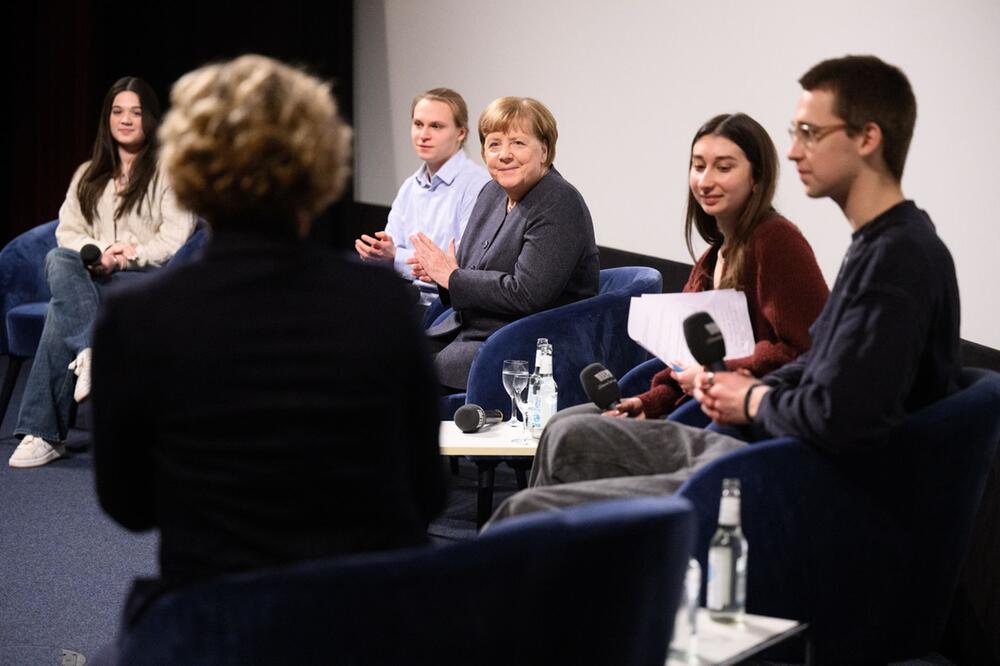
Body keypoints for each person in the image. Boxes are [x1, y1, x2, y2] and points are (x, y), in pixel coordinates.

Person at [487, 55, 960, 525]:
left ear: (867, 139)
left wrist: (748, 396)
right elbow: (821, 376)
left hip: (794, 475)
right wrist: (702, 390)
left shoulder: (898, 259)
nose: (793, 151)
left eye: (810, 134)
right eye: (795, 134)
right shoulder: (875, 249)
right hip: (773, 444)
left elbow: (841, 414)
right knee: (564, 440)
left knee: (533, 498)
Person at [91, 55, 447, 615]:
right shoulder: (381, 306)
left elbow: (129, 505)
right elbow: (427, 492)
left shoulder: (137, 316)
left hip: (212, 617)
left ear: (188, 164)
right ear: (320, 163)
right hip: (358, 617)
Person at [8, 76, 195, 469]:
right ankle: (87, 348)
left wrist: (125, 258)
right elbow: (67, 232)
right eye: (117, 111)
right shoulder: (87, 174)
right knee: (60, 259)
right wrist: (96, 254)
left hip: (144, 280)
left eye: (136, 112)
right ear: (107, 119)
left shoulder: (171, 172)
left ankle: (42, 432)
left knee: (64, 305)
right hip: (90, 274)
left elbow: (176, 240)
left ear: (151, 120)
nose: (125, 119)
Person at [609, 112, 827, 421]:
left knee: (571, 434)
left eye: (723, 168)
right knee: (568, 424)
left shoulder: (776, 240)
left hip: (748, 423)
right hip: (699, 409)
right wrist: (648, 404)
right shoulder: (711, 259)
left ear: (757, 178)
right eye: (698, 167)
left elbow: (804, 349)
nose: (705, 181)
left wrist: (716, 372)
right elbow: (681, 365)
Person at [411, 96, 600, 391]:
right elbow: (468, 270)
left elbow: (526, 294)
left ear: (545, 151)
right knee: (382, 358)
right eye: (494, 144)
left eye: (518, 143)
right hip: (469, 332)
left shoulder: (559, 202)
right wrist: (442, 275)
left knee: (405, 384)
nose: (504, 154)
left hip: (519, 345)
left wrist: (453, 277)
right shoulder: (491, 193)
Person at [355, 88, 491, 295]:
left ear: (461, 133)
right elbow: (390, 249)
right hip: (408, 297)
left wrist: (395, 258)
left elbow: (462, 267)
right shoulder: (410, 186)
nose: (423, 135)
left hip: (450, 308)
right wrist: (379, 255)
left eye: (436, 126)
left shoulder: (478, 185)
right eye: (418, 124)